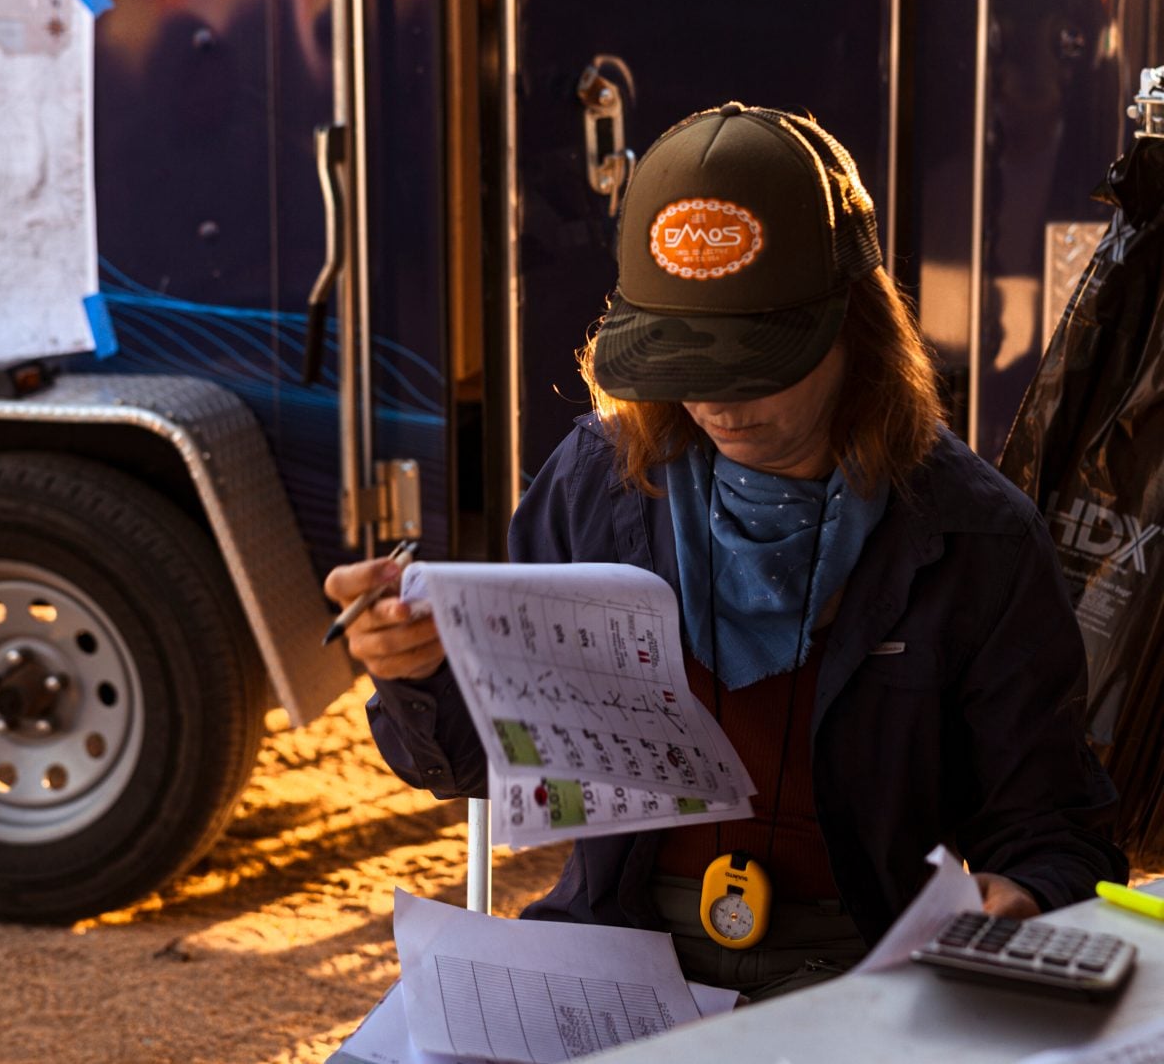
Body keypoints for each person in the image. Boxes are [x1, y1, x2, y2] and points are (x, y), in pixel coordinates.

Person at [324, 101, 1127, 1001]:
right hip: (618, 957)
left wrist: (1016, 897)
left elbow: (1058, 828)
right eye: (679, 364)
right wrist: (419, 669)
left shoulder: (976, 538)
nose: (718, 403)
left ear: (851, 324)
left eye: (757, 361)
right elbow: (476, 757)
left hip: (864, 974)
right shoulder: (597, 481)